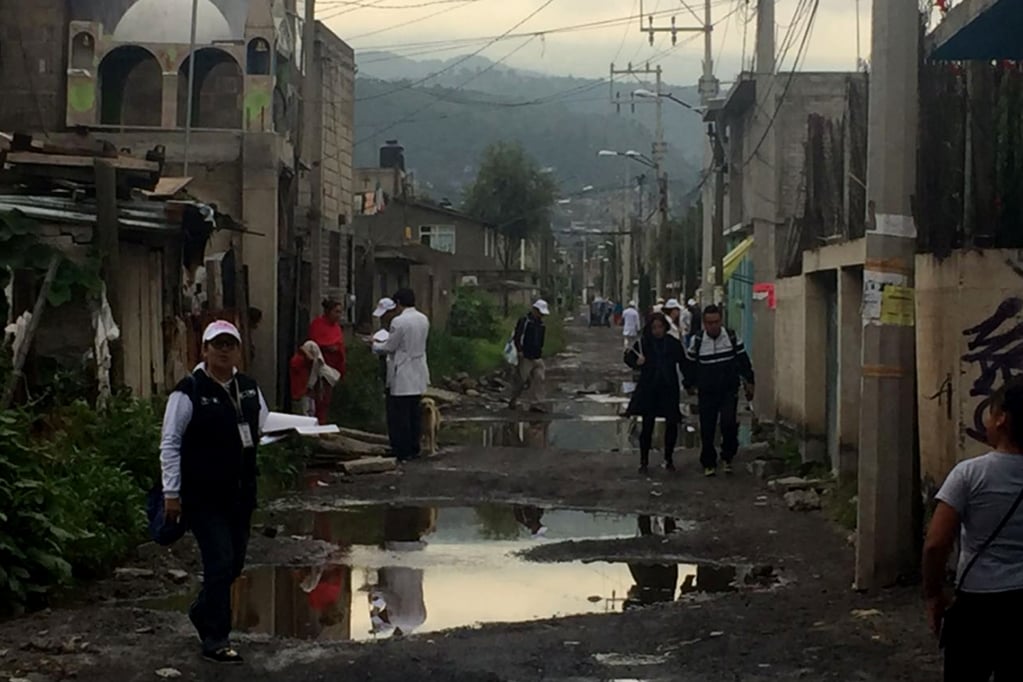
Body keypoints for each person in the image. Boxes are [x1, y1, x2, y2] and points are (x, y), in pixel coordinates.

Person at [159, 320, 269, 664]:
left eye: (229, 344)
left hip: (240, 493)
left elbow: (262, 426)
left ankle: (202, 610)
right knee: (219, 562)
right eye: (216, 344)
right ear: (204, 349)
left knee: (234, 564)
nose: (223, 350)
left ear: (238, 350)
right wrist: (171, 493)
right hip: (203, 496)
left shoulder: (249, 388)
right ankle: (216, 638)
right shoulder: (189, 390)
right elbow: (170, 442)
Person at [923, 379, 1023, 681]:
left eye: (990, 413)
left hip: (977, 606)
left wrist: (933, 594)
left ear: (1002, 419)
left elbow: (936, 544)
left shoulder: (969, 474)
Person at [683, 305, 754, 477]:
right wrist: (689, 384)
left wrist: (750, 382)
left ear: (720, 321)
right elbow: (690, 365)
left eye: (716, 322)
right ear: (704, 324)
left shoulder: (731, 337)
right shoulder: (698, 341)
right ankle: (709, 462)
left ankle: (728, 456)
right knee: (707, 428)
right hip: (707, 392)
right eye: (709, 323)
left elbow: (743, 361)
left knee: (728, 423)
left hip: (728, 390)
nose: (713, 326)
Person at [624, 312, 685, 475]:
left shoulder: (672, 344)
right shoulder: (644, 344)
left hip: (668, 388)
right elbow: (629, 357)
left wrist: (689, 382)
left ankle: (669, 458)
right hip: (649, 389)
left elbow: (684, 362)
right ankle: (644, 460)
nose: (657, 331)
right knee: (647, 426)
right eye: (654, 328)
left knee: (671, 424)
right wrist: (637, 363)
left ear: (665, 327)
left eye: (660, 327)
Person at [378, 289, 430, 462]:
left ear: (399, 303)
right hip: (418, 369)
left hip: (402, 371)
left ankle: (402, 449)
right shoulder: (423, 319)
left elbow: (390, 347)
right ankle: (414, 447)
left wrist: (374, 345)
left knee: (399, 414)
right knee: (414, 412)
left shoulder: (398, 322)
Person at [307, 299, 347, 424]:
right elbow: (314, 343)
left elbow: (340, 344)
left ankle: (323, 422)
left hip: (333, 367)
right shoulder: (317, 324)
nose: (339, 315)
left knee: (326, 399)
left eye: (340, 312)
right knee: (318, 397)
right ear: (328, 312)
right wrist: (327, 347)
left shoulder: (336, 327)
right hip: (319, 366)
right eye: (336, 312)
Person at [509, 299, 550, 412]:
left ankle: (537, 403)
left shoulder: (541, 324)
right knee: (521, 380)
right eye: (539, 312)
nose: (541, 315)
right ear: (534, 310)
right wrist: (520, 351)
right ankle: (513, 399)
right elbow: (518, 336)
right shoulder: (524, 321)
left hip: (537, 356)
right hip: (525, 356)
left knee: (539, 378)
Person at [288, 340, 340, 419]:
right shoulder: (298, 360)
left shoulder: (311, 365)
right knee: (305, 414)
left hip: (308, 392)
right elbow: (311, 359)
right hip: (302, 392)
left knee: (311, 412)